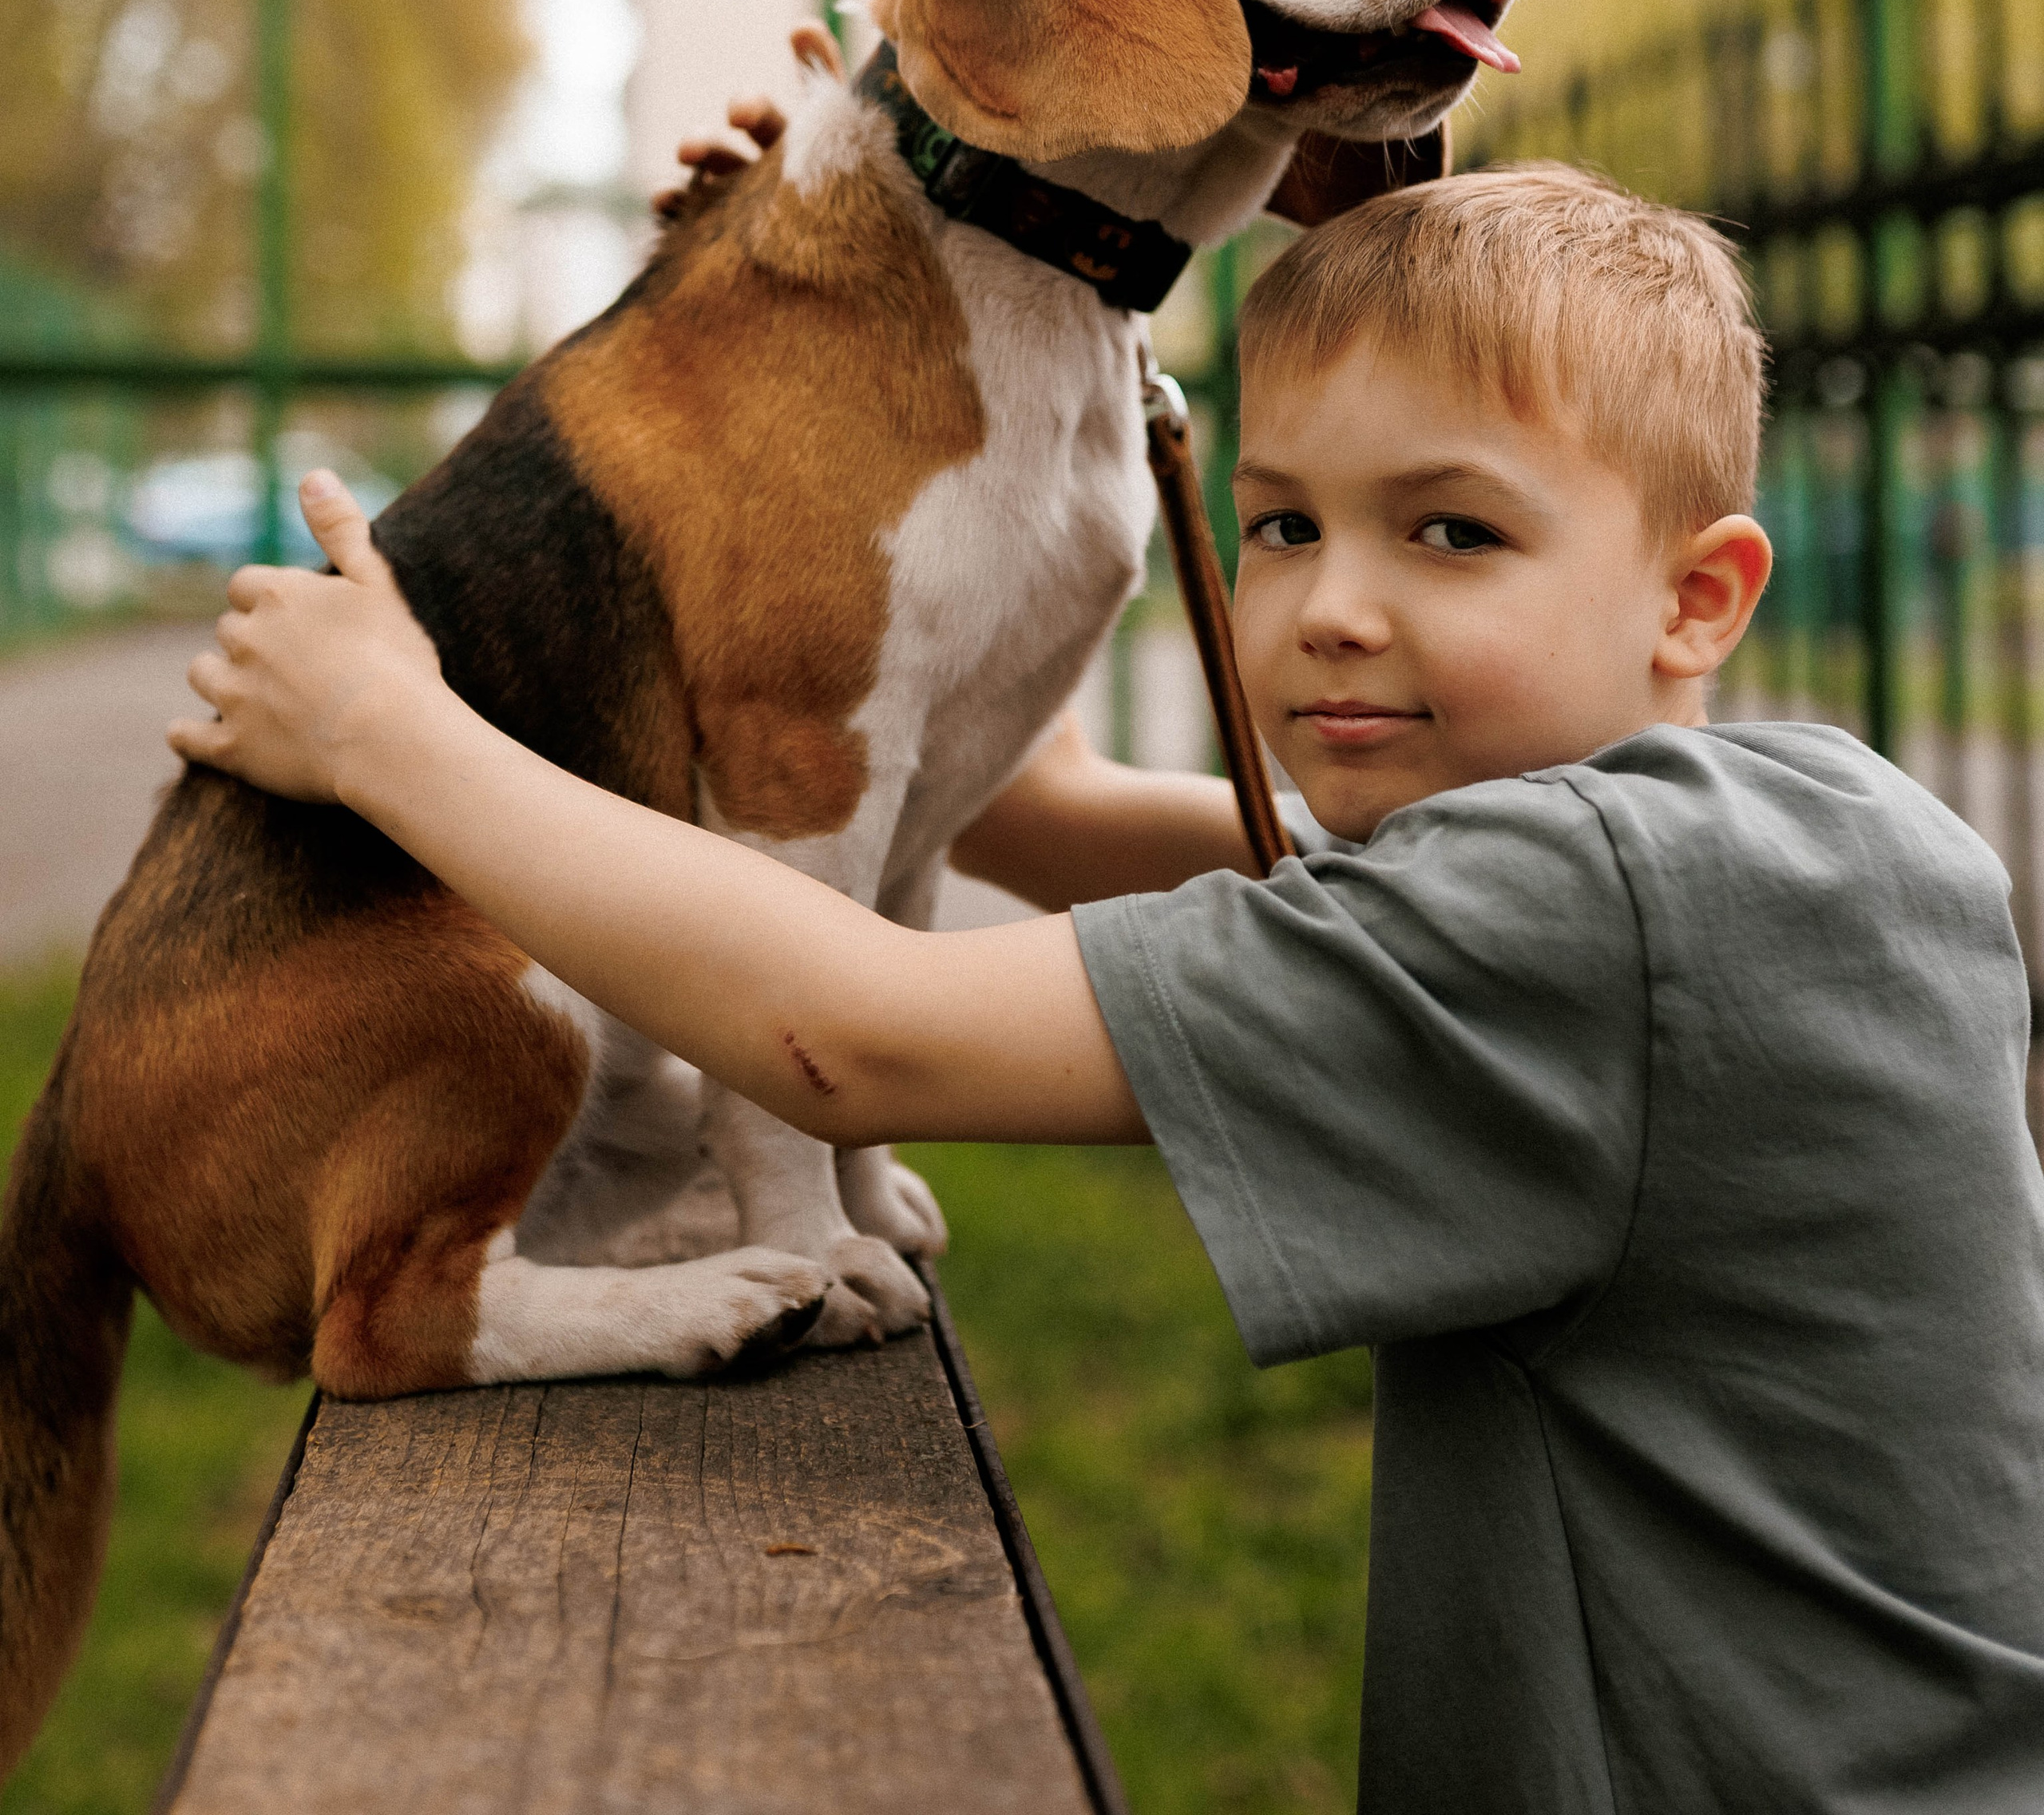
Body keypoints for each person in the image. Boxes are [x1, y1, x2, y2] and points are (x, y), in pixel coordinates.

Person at [170, 164, 2044, 1814]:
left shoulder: (1585, 910)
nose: (1327, 606)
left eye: (1450, 531)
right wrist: (892, 303)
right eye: (1285, 521)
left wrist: (383, 729)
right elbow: (1049, 807)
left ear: (1695, 599)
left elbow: (853, 1034)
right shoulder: (1796, 841)